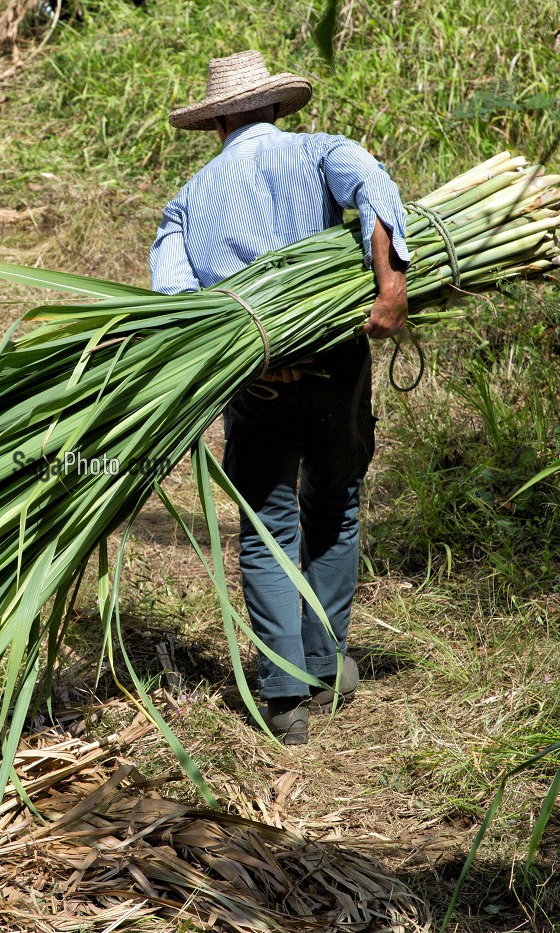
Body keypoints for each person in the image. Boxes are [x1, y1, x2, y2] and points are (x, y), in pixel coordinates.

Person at [150, 50, 410, 745]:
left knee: (267, 524)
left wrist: (239, 360)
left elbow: (176, 307)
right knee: (335, 500)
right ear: (269, 107)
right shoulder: (321, 152)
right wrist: (391, 288)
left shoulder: (189, 200)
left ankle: (284, 697)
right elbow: (376, 194)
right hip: (335, 367)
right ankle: (326, 664)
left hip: (255, 380)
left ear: (220, 123)